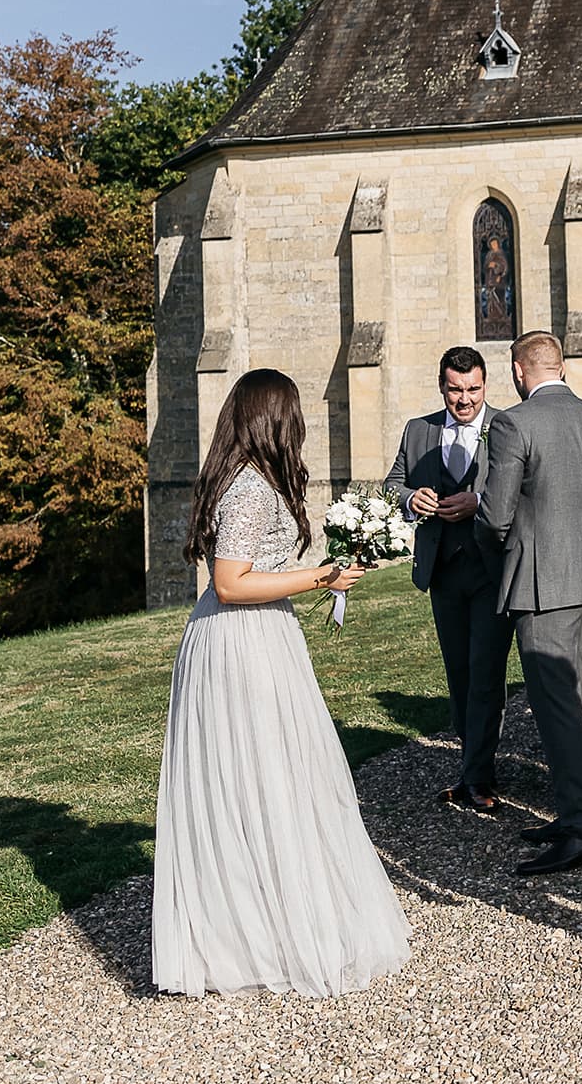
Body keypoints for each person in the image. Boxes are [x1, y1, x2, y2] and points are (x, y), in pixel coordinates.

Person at [151, 369, 410, 998]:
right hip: (242, 643)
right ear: (274, 418)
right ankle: (260, 933)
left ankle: (259, 919)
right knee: (261, 774)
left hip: (254, 637)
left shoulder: (246, 479)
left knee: (265, 776)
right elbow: (232, 583)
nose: (300, 425)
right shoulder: (249, 488)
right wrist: (319, 580)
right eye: (293, 413)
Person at [476, 330, 582, 875]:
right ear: (561, 366)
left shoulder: (513, 423)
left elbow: (495, 516)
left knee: (557, 706)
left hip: (541, 585)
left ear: (519, 370)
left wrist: (517, 554)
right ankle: (581, 813)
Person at [385, 345, 514, 814]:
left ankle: (478, 774)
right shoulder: (419, 429)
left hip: (492, 569)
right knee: (458, 673)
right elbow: (393, 482)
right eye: (456, 390)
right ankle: (473, 761)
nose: (465, 400)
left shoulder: (506, 426)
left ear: (485, 385)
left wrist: (478, 501)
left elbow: (519, 487)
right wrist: (409, 499)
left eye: (474, 389)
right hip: (442, 570)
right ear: (442, 386)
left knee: (485, 672)